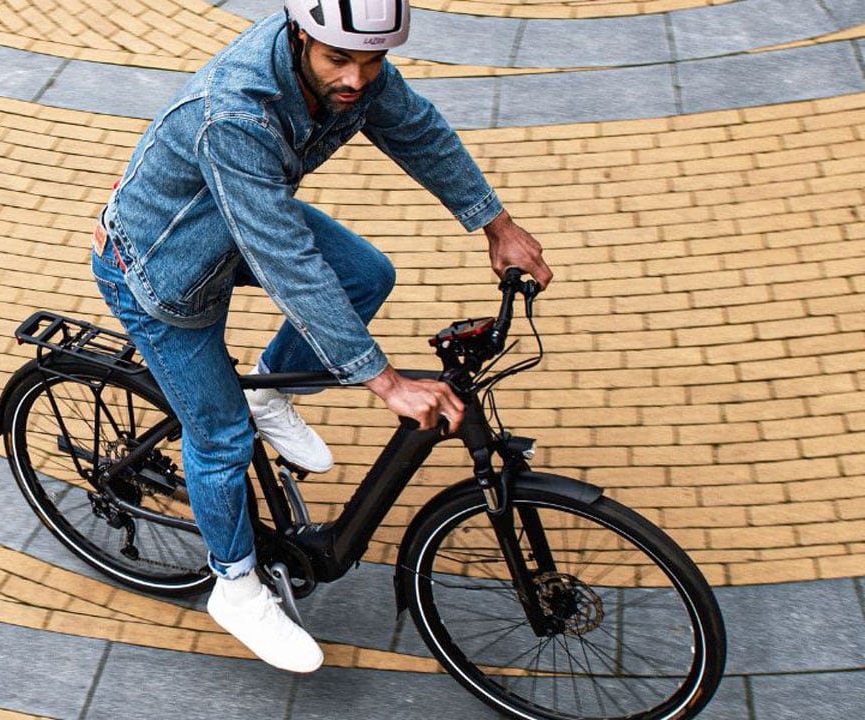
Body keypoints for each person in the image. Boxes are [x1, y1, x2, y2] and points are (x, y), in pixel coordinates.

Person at [89, 0, 553, 672]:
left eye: (373, 62)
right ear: (300, 35)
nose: (358, 80)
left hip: (238, 215)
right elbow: (286, 260)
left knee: (366, 275)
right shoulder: (236, 113)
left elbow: (419, 132)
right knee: (220, 437)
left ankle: (269, 395)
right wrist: (383, 381)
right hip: (163, 267)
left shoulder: (352, 70)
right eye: (340, 59)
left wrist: (496, 224)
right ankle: (235, 584)